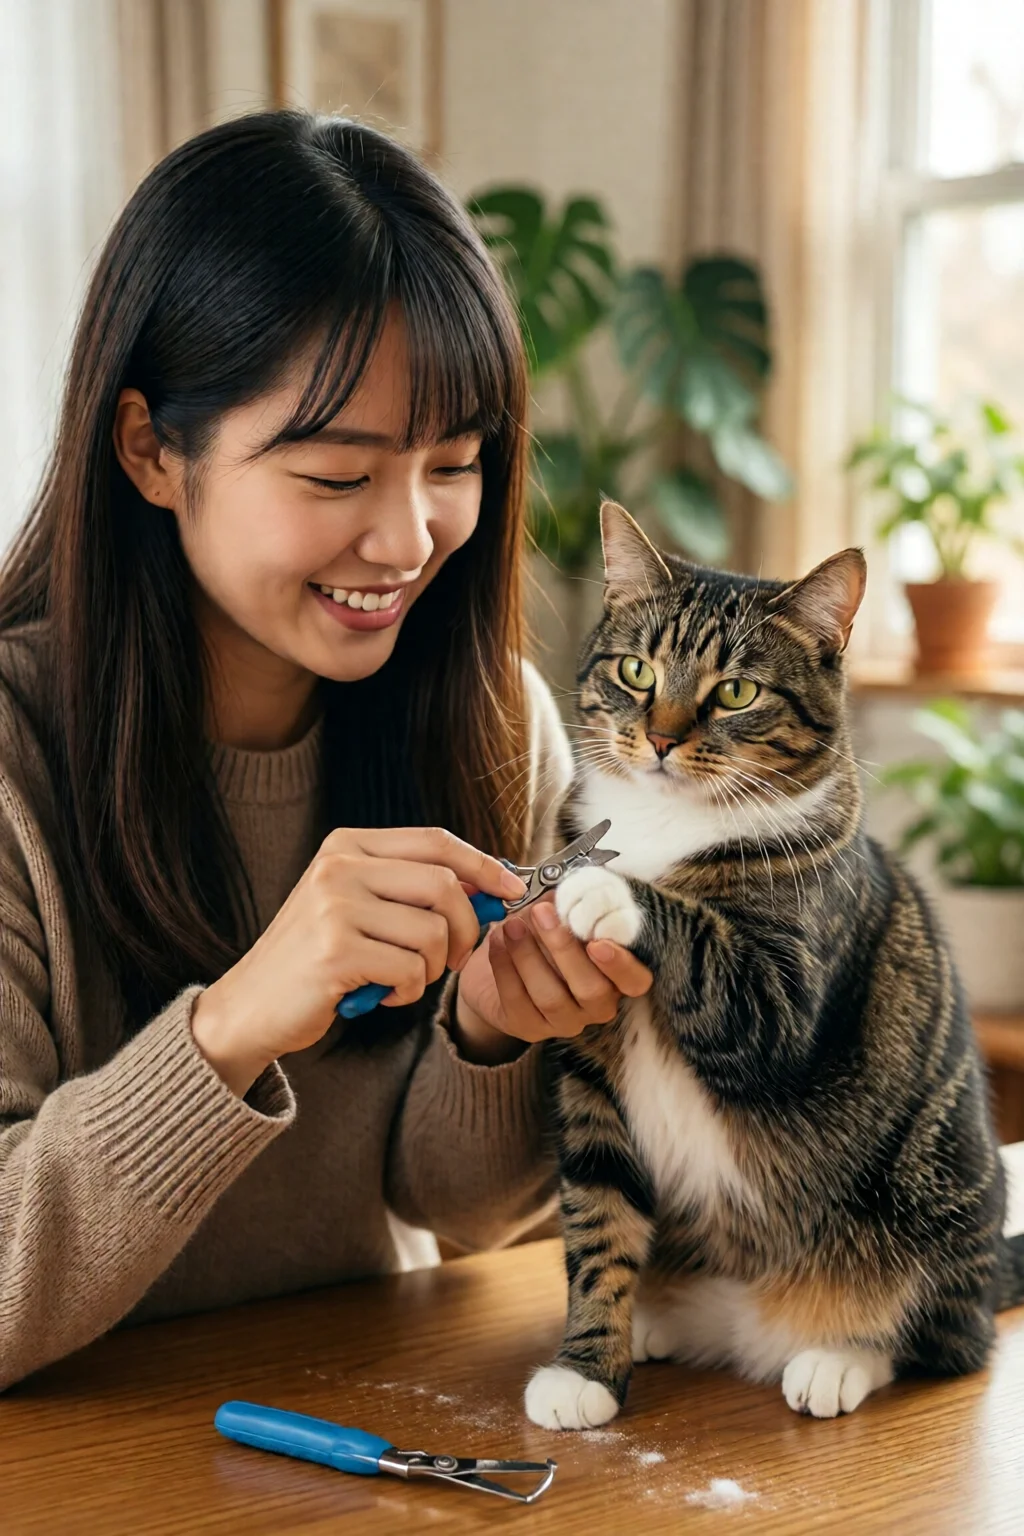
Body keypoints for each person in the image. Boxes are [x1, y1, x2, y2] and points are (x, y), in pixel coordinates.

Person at [0, 111, 652, 1391]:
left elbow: (455, 1218)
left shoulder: (496, 723)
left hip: (357, 1418)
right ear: (150, 450)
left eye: (453, 464)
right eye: (337, 477)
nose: (409, 539)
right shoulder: (17, 764)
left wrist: (485, 1033)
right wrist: (232, 1028)